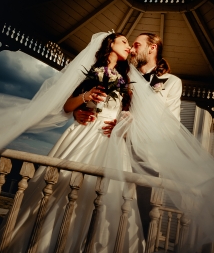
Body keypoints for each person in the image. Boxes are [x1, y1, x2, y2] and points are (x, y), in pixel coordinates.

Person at [0, 32, 147, 253]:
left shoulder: (127, 82)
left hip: (109, 144)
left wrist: (120, 127)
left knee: (102, 207)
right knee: (57, 195)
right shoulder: (91, 70)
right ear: (109, 44)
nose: (128, 46)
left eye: (129, 43)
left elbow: (130, 118)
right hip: (82, 136)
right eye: (123, 41)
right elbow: (67, 105)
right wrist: (85, 98)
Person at [73, 32, 182, 237]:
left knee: (137, 220)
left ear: (152, 48)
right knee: (96, 206)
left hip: (145, 158)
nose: (132, 49)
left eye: (137, 45)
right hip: (109, 149)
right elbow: (103, 101)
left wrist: (128, 128)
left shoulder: (172, 82)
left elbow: (172, 127)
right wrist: (78, 112)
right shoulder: (124, 76)